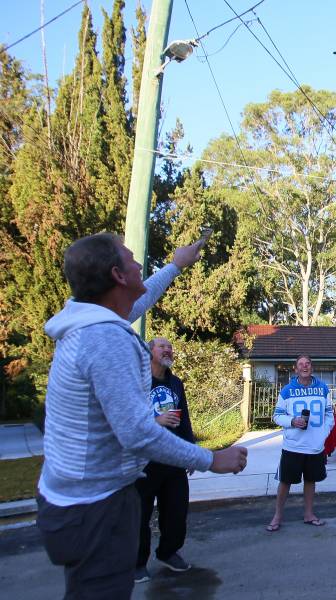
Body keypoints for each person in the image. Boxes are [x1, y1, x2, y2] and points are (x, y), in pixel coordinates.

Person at [37, 233, 248, 599]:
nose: (139, 265)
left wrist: (177, 265)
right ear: (118, 275)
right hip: (94, 508)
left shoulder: (92, 322)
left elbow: (143, 296)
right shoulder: (104, 338)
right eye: (132, 259)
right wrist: (211, 459)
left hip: (78, 500)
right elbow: (138, 434)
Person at [134, 337, 197, 584]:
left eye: (170, 347)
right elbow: (127, 419)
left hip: (173, 457)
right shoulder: (137, 382)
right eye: (163, 346)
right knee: (140, 513)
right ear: (150, 352)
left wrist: (191, 450)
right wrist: (156, 421)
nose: (168, 349)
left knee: (176, 510)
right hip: (144, 460)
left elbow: (185, 420)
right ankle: (137, 562)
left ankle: (168, 552)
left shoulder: (175, 383)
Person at [267, 355, 335, 531]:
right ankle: (277, 516)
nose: (305, 367)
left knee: (311, 480)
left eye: (308, 364)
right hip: (293, 446)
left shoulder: (323, 389)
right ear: (295, 369)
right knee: (285, 481)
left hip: (315, 446)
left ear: (312, 367)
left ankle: (309, 514)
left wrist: (324, 433)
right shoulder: (287, 390)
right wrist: (292, 421)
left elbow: (329, 415)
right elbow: (276, 416)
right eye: (301, 364)